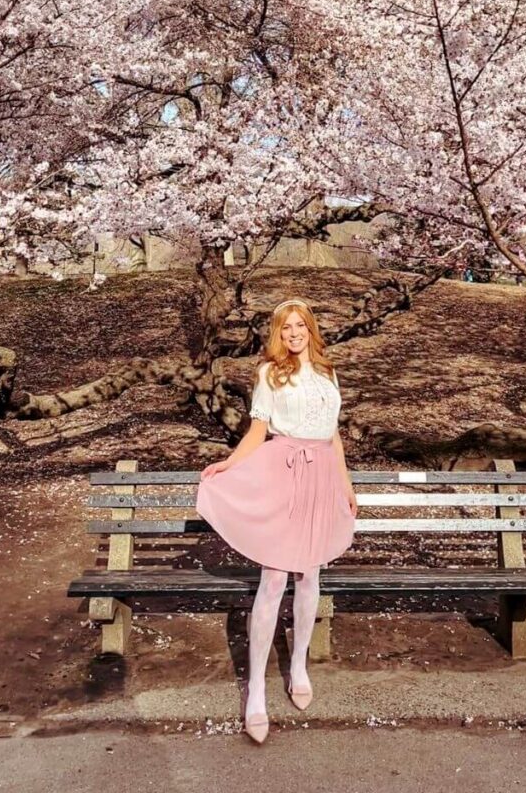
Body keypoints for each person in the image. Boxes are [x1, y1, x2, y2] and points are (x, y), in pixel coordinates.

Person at [196, 298, 357, 744]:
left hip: (323, 478)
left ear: (310, 328)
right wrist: (227, 465)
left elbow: (333, 434)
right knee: (273, 580)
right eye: (285, 327)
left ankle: (299, 665)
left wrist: (345, 485)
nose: (293, 333)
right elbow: (257, 432)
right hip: (287, 475)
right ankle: (255, 694)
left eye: (299, 325)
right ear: (277, 332)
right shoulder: (270, 373)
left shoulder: (327, 370)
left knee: (310, 578)